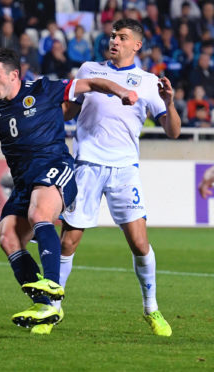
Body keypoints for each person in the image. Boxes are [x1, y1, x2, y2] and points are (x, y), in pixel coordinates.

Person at [0, 47, 138, 335]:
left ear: (13, 75)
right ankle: (45, 306)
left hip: (55, 167)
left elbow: (90, 83)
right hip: (24, 181)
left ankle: (52, 283)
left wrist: (121, 91)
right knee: (8, 236)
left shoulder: (43, 88)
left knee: (40, 211)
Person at [59, 19, 181, 337]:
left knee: (140, 244)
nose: (115, 40)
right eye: (113, 35)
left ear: (136, 45)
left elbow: (173, 131)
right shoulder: (88, 70)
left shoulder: (148, 81)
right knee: (68, 242)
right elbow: (68, 112)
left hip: (125, 169)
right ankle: (52, 309)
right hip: (86, 165)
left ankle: (151, 308)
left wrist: (169, 103)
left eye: (122, 37)